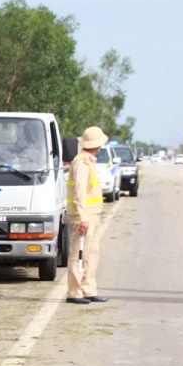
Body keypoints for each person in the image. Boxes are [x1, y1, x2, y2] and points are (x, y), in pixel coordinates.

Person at [66, 126, 109, 305]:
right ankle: (74, 292)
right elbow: (79, 193)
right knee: (79, 254)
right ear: (97, 145)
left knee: (92, 254)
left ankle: (88, 289)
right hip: (83, 216)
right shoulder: (81, 163)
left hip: (93, 215)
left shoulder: (88, 161)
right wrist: (83, 217)